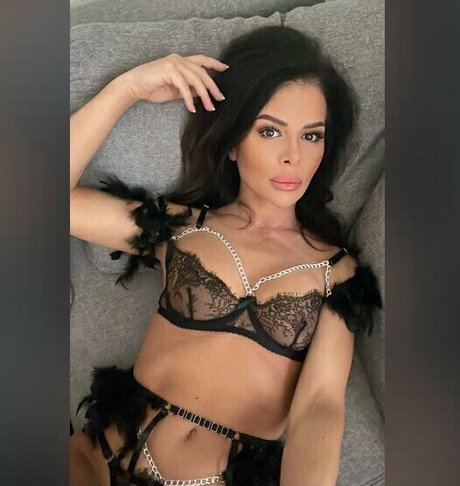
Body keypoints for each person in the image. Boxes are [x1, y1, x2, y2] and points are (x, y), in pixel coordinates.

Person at [70, 25, 382, 486]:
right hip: (100, 458)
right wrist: (126, 90)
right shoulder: (181, 227)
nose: (293, 156)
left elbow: (320, 406)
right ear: (234, 142)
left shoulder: (338, 273)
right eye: (270, 131)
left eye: (312, 136)